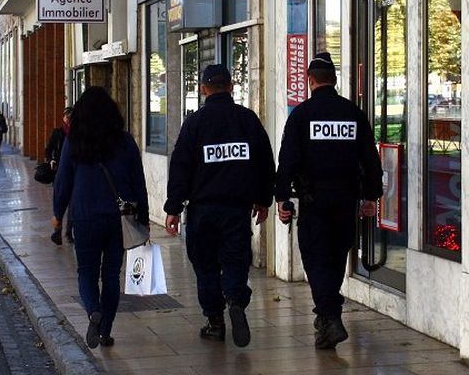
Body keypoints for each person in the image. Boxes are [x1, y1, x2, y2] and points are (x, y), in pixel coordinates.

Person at [275, 52, 383, 350]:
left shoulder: (302, 114)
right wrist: (372, 196)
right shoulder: (353, 113)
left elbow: (288, 159)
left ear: (310, 80)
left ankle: (330, 316)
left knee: (315, 259)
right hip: (346, 201)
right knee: (335, 260)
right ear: (334, 80)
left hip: (314, 201)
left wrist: (282, 197)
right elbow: (370, 159)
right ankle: (327, 320)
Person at [164, 64, 275, 348]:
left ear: (204, 89)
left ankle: (215, 321)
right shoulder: (247, 120)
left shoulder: (195, 123)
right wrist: (264, 199)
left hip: (202, 210)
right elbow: (265, 162)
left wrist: (173, 207)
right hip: (237, 209)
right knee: (236, 259)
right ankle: (236, 300)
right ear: (231, 86)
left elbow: (180, 167)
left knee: (205, 266)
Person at [52, 87, 149, 349]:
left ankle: (93, 311)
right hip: (119, 218)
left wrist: (57, 215)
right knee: (111, 275)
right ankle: (105, 331)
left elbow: (63, 182)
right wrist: (145, 217)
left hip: (85, 217)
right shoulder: (125, 141)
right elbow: (138, 181)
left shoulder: (74, 142)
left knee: (86, 272)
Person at [45, 106, 73, 243]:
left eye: (71, 117)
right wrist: (51, 160)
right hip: (59, 172)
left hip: (73, 172)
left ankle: (69, 232)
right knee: (59, 199)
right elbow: (48, 149)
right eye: (67, 117)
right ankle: (58, 231)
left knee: (72, 203)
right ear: (63, 118)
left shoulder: (78, 135)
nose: (69, 120)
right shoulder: (58, 133)